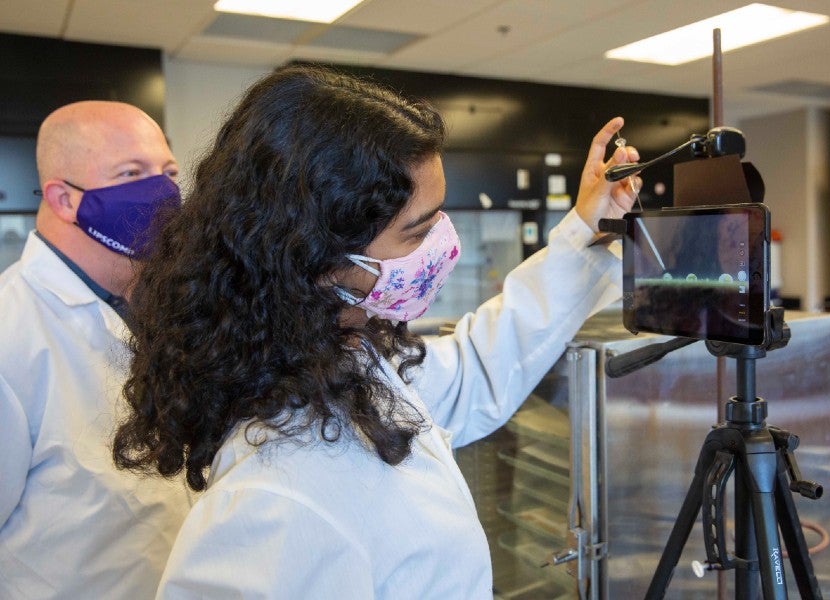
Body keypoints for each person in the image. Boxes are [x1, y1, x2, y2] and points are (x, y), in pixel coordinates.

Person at [112, 64, 640, 598]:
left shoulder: (340, 357)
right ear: (316, 256)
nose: (443, 245)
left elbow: (473, 372)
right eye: (418, 231)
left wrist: (582, 232)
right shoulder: (274, 502)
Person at [0, 100, 193, 597]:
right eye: (132, 173)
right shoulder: (12, 332)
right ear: (64, 200)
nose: (163, 191)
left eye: (168, 171)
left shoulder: (164, 306)